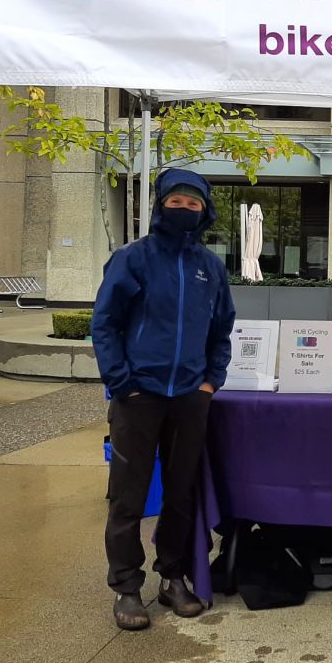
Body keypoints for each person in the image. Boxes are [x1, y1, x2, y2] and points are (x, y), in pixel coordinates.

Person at [91, 168, 236, 631]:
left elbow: (222, 329)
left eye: (194, 204)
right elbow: (105, 323)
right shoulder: (132, 259)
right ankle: (126, 587)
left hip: (190, 397)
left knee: (181, 493)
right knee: (128, 497)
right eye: (177, 202)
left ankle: (172, 577)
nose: (185, 210)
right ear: (160, 205)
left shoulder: (210, 267)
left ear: (205, 210)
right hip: (139, 396)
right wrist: (122, 382)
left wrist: (211, 381)